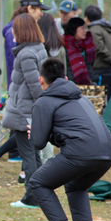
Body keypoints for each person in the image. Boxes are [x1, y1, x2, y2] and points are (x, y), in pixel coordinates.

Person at [28, 58, 111, 221]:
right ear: (65, 78)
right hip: (108, 152)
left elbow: (38, 143)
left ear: (40, 80)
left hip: (82, 152)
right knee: (76, 185)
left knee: (37, 182)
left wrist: (34, 132)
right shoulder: (81, 98)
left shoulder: (44, 102)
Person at [0, 0, 50, 181]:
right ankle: (27, 180)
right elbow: (21, 69)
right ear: (30, 8)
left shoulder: (34, 42)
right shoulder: (15, 31)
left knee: (27, 138)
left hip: (29, 97)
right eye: (39, 10)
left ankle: (21, 173)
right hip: (21, 95)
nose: (42, 15)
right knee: (24, 135)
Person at [2, 13, 47, 209]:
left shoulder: (26, 54)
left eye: (14, 29)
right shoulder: (39, 49)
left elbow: (34, 86)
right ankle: (41, 193)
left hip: (24, 112)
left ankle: (32, 197)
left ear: (22, 31)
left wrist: (41, 108)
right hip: (30, 110)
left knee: (28, 156)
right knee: (34, 156)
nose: (12, 32)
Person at [36, 13, 66, 163]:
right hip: (60, 92)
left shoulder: (39, 48)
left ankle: (46, 159)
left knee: (43, 125)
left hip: (45, 91)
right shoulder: (60, 46)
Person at [85, 5, 111, 101]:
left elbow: (100, 49)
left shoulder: (93, 30)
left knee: (99, 102)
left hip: (101, 71)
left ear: (86, 18)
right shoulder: (106, 28)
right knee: (109, 100)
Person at [63, 18, 95, 85]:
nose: (85, 31)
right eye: (82, 28)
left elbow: (89, 66)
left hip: (86, 84)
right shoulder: (66, 44)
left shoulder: (87, 44)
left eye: (85, 28)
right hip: (70, 83)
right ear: (74, 29)